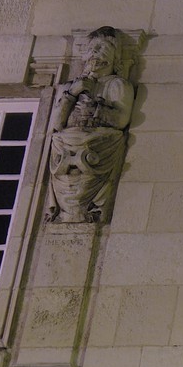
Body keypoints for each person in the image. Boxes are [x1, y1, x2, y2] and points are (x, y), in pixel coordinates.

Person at [45, 26, 135, 223]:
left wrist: (96, 110)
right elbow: (56, 124)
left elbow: (121, 120)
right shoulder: (68, 87)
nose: (96, 53)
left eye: (103, 48)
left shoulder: (117, 85)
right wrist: (72, 94)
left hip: (97, 143)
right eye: (92, 48)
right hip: (67, 143)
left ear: (114, 58)